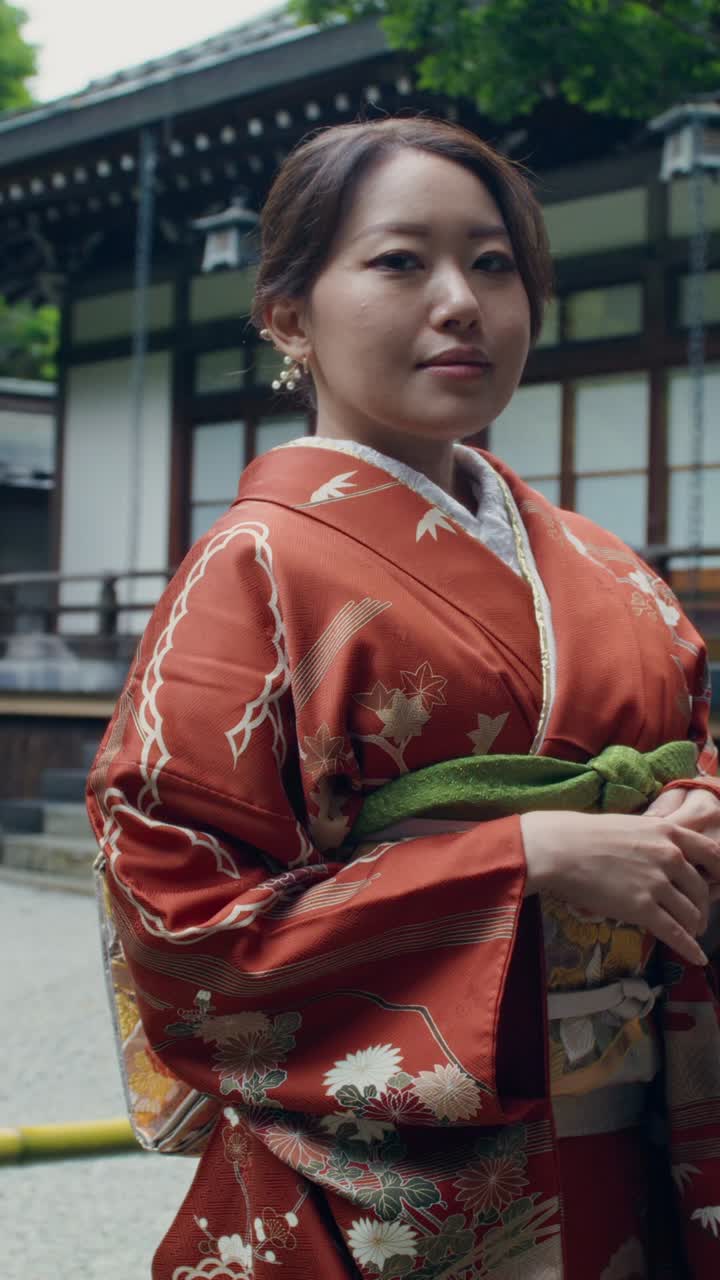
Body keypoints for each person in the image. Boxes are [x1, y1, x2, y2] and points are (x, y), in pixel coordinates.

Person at [87, 117, 720, 1280]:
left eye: (493, 263)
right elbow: (177, 910)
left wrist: (692, 820)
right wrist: (518, 856)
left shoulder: (608, 566)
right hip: (392, 1190)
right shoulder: (256, 563)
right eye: (398, 261)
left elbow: (698, 751)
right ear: (289, 315)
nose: (462, 300)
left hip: (625, 1151)